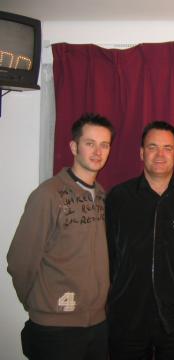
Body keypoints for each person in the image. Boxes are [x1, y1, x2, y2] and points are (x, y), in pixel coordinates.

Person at [7, 113, 115, 360]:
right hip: (55, 329)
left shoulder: (103, 198)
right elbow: (20, 261)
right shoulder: (48, 195)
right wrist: (41, 304)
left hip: (97, 325)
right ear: (74, 146)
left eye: (104, 145)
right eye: (90, 143)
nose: (98, 151)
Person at [105, 121, 174, 360]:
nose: (160, 154)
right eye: (152, 147)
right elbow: (107, 256)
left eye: (167, 148)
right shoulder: (118, 199)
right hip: (126, 319)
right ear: (141, 152)